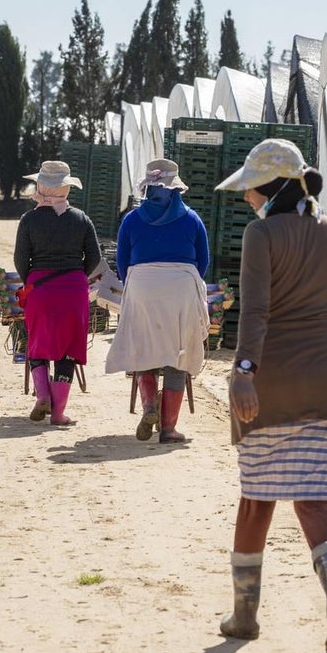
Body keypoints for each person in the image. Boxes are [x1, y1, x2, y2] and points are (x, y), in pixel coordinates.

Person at [212, 139, 327, 653]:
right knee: (317, 505)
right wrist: (319, 335)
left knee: (256, 501)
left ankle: (243, 617)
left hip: (270, 382)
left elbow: (254, 312)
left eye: (251, 189)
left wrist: (244, 371)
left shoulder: (262, 234)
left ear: (270, 189)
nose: (246, 199)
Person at [105, 158, 210, 442]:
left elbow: (123, 263)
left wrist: (140, 284)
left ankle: (149, 405)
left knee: (144, 345)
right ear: (175, 189)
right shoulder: (191, 218)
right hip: (181, 289)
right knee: (179, 353)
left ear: (148, 188)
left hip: (142, 286)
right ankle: (168, 428)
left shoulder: (131, 219)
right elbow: (203, 262)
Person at [15, 161, 102, 426]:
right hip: (74, 289)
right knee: (68, 349)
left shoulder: (29, 220)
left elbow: (21, 259)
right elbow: (95, 258)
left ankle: (42, 395)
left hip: (39, 288)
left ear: (40, 185)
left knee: (37, 342)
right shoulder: (81, 218)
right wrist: (75, 276)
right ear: (66, 188)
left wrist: (31, 279)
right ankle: (58, 413)